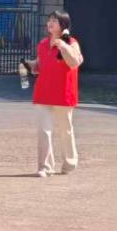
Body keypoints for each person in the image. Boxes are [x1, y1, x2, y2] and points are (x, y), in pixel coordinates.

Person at [26, 10, 84, 178]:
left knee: (65, 131)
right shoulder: (43, 44)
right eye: (49, 20)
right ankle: (45, 167)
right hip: (43, 93)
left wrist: (63, 46)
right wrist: (29, 65)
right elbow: (40, 65)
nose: (50, 23)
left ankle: (69, 163)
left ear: (63, 25)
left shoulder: (72, 43)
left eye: (55, 20)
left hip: (64, 94)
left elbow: (75, 62)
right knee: (44, 131)